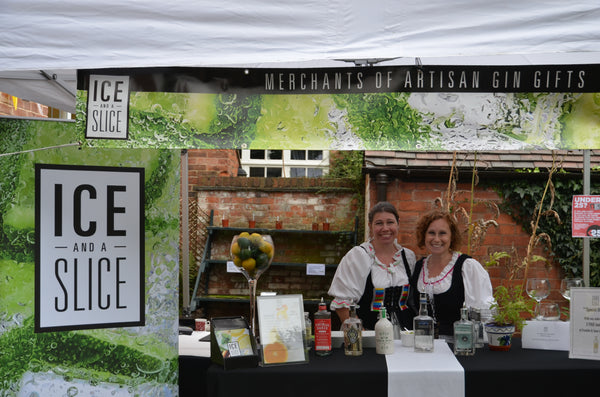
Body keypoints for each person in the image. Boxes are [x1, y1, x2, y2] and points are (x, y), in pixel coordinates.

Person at [328, 201, 417, 330]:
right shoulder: (358, 256)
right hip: (369, 335)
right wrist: (361, 336)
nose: (385, 228)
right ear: (370, 226)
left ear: (398, 224)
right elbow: (343, 306)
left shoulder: (408, 257)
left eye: (390, 222)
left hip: (405, 336)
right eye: (379, 223)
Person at [411, 209, 493, 338]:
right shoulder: (418, 267)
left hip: (458, 345)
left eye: (442, 233)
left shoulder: (467, 266)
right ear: (424, 235)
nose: (436, 239)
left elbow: (483, 311)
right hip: (423, 344)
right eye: (431, 233)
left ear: (451, 237)